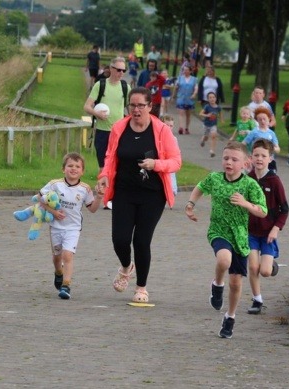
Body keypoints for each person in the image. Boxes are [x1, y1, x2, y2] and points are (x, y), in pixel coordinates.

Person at [97, 87, 181, 304]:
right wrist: (104, 175)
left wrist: (156, 164)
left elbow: (176, 162)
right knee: (120, 240)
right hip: (124, 191)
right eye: (132, 105)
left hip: (152, 195)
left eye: (140, 106)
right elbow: (110, 157)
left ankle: (141, 288)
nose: (136, 110)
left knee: (142, 241)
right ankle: (126, 267)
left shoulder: (162, 130)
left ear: (150, 107)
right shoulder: (119, 128)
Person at [184, 141, 267, 339]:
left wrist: (246, 203)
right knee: (223, 260)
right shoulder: (215, 178)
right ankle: (217, 285)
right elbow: (199, 187)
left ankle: (230, 316)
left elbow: (263, 211)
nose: (229, 162)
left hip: (239, 237)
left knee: (236, 284)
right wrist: (190, 204)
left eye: (234, 159)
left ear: (245, 163)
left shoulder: (249, 184)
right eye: (226, 158)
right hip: (218, 231)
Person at [36, 152, 101, 300]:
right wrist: (53, 211)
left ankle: (66, 285)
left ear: (82, 171)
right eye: (70, 165)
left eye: (77, 166)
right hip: (56, 226)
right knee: (57, 257)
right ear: (63, 169)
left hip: (73, 228)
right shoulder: (55, 184)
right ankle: (58, 272)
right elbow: (40, 198)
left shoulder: (85, 189)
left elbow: (92, 208)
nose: (74, 169)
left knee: (67, 255)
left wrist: (99, 197)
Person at [246, 139, 289, 315]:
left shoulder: (274, 181)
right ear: (251, 157)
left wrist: (275, 229)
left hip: (268, 233)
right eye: (256, 155)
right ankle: (257, 300)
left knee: (264, 271)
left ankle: (271, 266)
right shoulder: (247, 179)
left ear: (270, 159)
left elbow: (284, 210)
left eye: (263, 156)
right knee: (253, 267)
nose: (259, 159)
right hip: (250, 233)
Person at [84, 56, 128, 173]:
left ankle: (115, 191)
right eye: (119, 70)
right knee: (103, 168)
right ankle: (102, 191)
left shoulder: (125, 87)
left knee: (119, 167)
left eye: (124, 70)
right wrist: (96, 113)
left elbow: (131, 110)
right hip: (102, 131)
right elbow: (87, 106)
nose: (121, 73)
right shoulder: (100, 85)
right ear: (111, 69)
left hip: (120, 132)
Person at [243, 107, 281, 172]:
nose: (262, 121)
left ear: (269, 119)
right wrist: (245, 156)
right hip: (256, 160)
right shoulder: (254, 132)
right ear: (257, 121)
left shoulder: (271, 133)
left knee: (270, 178)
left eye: (264, 119)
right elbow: (244, 143)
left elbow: (277, 148)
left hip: (269, 160)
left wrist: (273, 149)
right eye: (260, 119)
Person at [174, 65, 198, 135]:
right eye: (184, 70)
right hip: (181, 98)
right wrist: (174, 94)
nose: (185, 71)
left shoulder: (194, 79)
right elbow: (176, 87)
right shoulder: (180, 78)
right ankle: (181, 127)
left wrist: (194, 94)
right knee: (181, 113)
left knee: (188, 115)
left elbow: (196, 87)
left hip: (190, 99)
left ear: (190, 71)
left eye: (187, 70)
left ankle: (186, 128)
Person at [198, 91, 223, 158]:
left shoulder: (218, 107)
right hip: (206, 124)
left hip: (213, 125)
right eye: (210, 98)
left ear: (216, 98)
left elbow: (220, 113)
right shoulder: (207, 107)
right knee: (206, 137)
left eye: (213, 97)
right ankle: (203, 140)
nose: (212, 99)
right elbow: (200, 114)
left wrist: (221, 119)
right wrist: (207, 115)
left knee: (213, 136)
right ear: (208, 99)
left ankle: (212, 151)